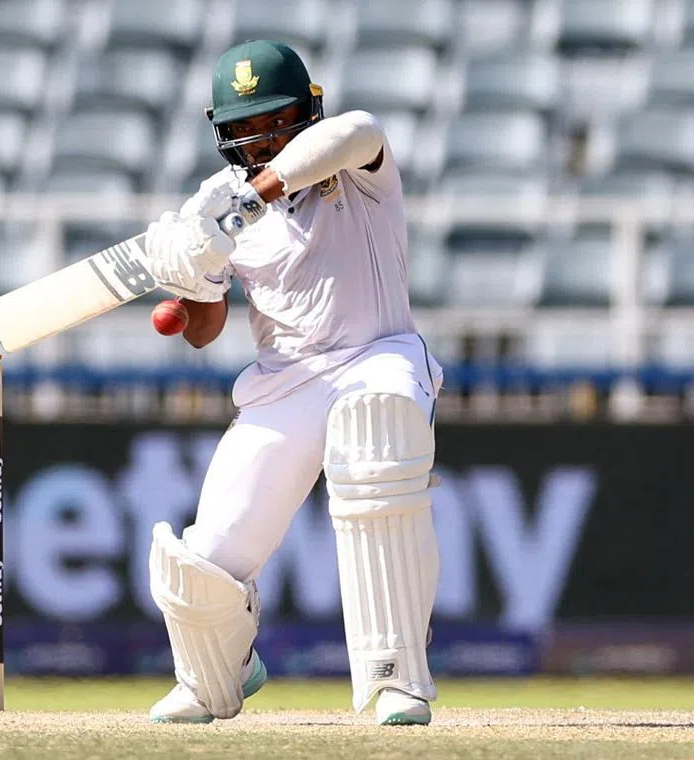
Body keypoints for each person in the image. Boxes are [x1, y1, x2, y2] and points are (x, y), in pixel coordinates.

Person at [141, 39, 443, 727]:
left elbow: (357, 132)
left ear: (308, 110)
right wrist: (192, 276)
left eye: (277, 120)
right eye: (246, 127)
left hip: (377, 355)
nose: (263, 137)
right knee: (204, 558)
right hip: (285, 383)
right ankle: (214, 675)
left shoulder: (356, 165)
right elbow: (203, 331)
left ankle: (397, 680)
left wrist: (250, 201)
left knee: (377, 434)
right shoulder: (213, 202)